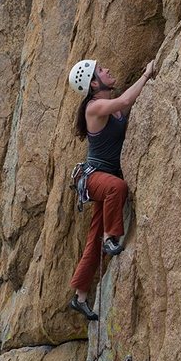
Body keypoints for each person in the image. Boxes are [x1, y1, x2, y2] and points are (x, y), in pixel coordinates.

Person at [68, 58, 155, 320]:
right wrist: (147, 75)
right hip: (95, 178)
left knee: (92, 236)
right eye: (101, 70)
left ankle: (80, 296)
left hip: (100, 179)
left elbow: (125, 103)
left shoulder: (108, 107)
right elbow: (126, 102)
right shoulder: (95, 108)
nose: (107, 69)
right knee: (117, 187)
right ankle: (111, 238)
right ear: (94, 83)